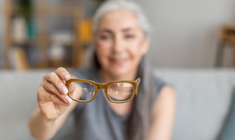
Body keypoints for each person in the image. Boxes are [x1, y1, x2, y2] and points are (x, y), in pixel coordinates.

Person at [28, 0, 176, 140]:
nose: (117, 48)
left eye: (128, 35)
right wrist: (47, 117)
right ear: (95, 44)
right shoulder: (81, 84)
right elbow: (38, 133)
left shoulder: (161, 94)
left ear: (144, 44)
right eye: (106, 36)